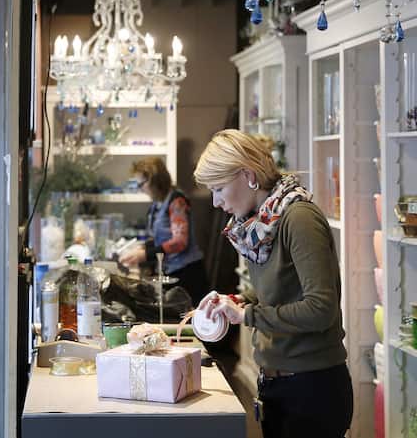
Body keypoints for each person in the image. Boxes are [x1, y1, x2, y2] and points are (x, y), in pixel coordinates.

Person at [193, 129, 352, 437]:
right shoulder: (261, 225)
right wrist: (237, 302)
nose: (215, 202)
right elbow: (279, 290)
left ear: (248, 175)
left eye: (219, 189)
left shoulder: (299, 219)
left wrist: (248, 316)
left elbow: (321, 309)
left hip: (312, 389)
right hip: (278, 384)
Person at [120, 157, 207, 305]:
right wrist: (143, 247)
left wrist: (145, 254)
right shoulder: (157, 204)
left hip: (187, 274)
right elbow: (162, 238)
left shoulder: (177, 201)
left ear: (155, 180)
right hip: (171, 270)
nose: (140, 189)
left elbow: (180, 242)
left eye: (142, 184)